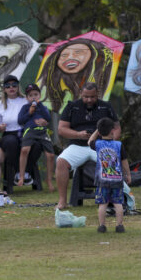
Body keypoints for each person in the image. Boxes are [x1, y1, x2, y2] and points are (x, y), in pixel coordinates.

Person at [54, 82, 120, 210]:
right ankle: (62, 201)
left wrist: (110, 143)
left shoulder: (106, 106)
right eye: (86, 97)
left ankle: (113, 200)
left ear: (97, 95)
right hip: (78, 145)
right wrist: (78, 134)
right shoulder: (72, 106)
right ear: (80, 94)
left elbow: (117, 128)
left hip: (101, 145)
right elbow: (61, 129)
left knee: (112, 161)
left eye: (92, 97)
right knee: (61, 161)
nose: (89, 100)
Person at [37, 39, 114, 113]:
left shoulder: (98, 81)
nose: (70, 57)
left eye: (78, 52)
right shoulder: (48, 89)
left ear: (93, 55)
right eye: (64, 55)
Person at [90, 118, 131, 233]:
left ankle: (102, 226)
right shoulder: (119, 145)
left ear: (99, 132)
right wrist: (128, 174)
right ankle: (119, 226)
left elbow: (89, 141)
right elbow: (124, 161)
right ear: (113, 131)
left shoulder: (97, 144)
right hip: (117, 179)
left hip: (102, 180)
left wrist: (96, 131)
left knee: (102, 204)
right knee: (118, 203)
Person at [0, 75, 29, 188]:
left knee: (36, 145)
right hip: (8, 133)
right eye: (8, 86)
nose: (11, 88)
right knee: (11, 143)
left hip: (25, 132)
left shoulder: (25, 100)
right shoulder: (0, 104)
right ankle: (19, 172)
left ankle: (26, 172)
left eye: (14, 85)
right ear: (4, 89)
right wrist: (0, 127)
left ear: (18, 87)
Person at [16, 84, 54, 188]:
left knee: (50, 155)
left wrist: (40, 106)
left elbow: (48, 118)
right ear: (27, 98)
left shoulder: (43, 107)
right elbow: (20, 120)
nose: (33, 97)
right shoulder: (25, 107)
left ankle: (49, 179)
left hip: (42, 131)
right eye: (30, 95)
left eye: (36, 94)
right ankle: (22, 176)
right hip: (30, 131)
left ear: (40, 96)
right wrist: (29, 113)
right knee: (24, 150)